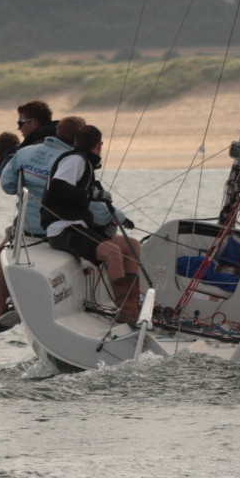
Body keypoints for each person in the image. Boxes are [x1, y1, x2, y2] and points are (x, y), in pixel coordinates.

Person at [0, 116, 130, 338]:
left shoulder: (25, 153)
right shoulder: (75, 160)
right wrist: (120, 218)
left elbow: (8, 185)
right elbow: (92, 205)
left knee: (0, 252)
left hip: (29, 230)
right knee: (111, 245)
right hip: (61, 229)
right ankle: (123, 307)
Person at [41, 125, 142, 327]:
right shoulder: (75, 160)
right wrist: (91, 195)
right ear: (99, 145)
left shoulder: (84, 162)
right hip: (62, 229)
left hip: (78, 226)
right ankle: (126, 312)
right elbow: (58, 189)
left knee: (132, 246)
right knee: (113, 253)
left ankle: (133, 305)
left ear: (77, 142)